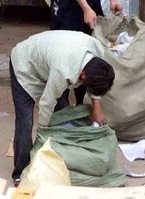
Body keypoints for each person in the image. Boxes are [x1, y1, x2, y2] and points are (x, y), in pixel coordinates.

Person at [9, 30, 115, 184]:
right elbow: (46, 103)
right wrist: (43, 133)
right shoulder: (63, 70)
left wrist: (96, 108)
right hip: (25, 64)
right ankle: (20, 171)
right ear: (83, 76)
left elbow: (96, 82)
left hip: (51, 60)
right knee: (25, 123)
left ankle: (58, 163)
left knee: (63, 115)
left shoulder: (98, 53)